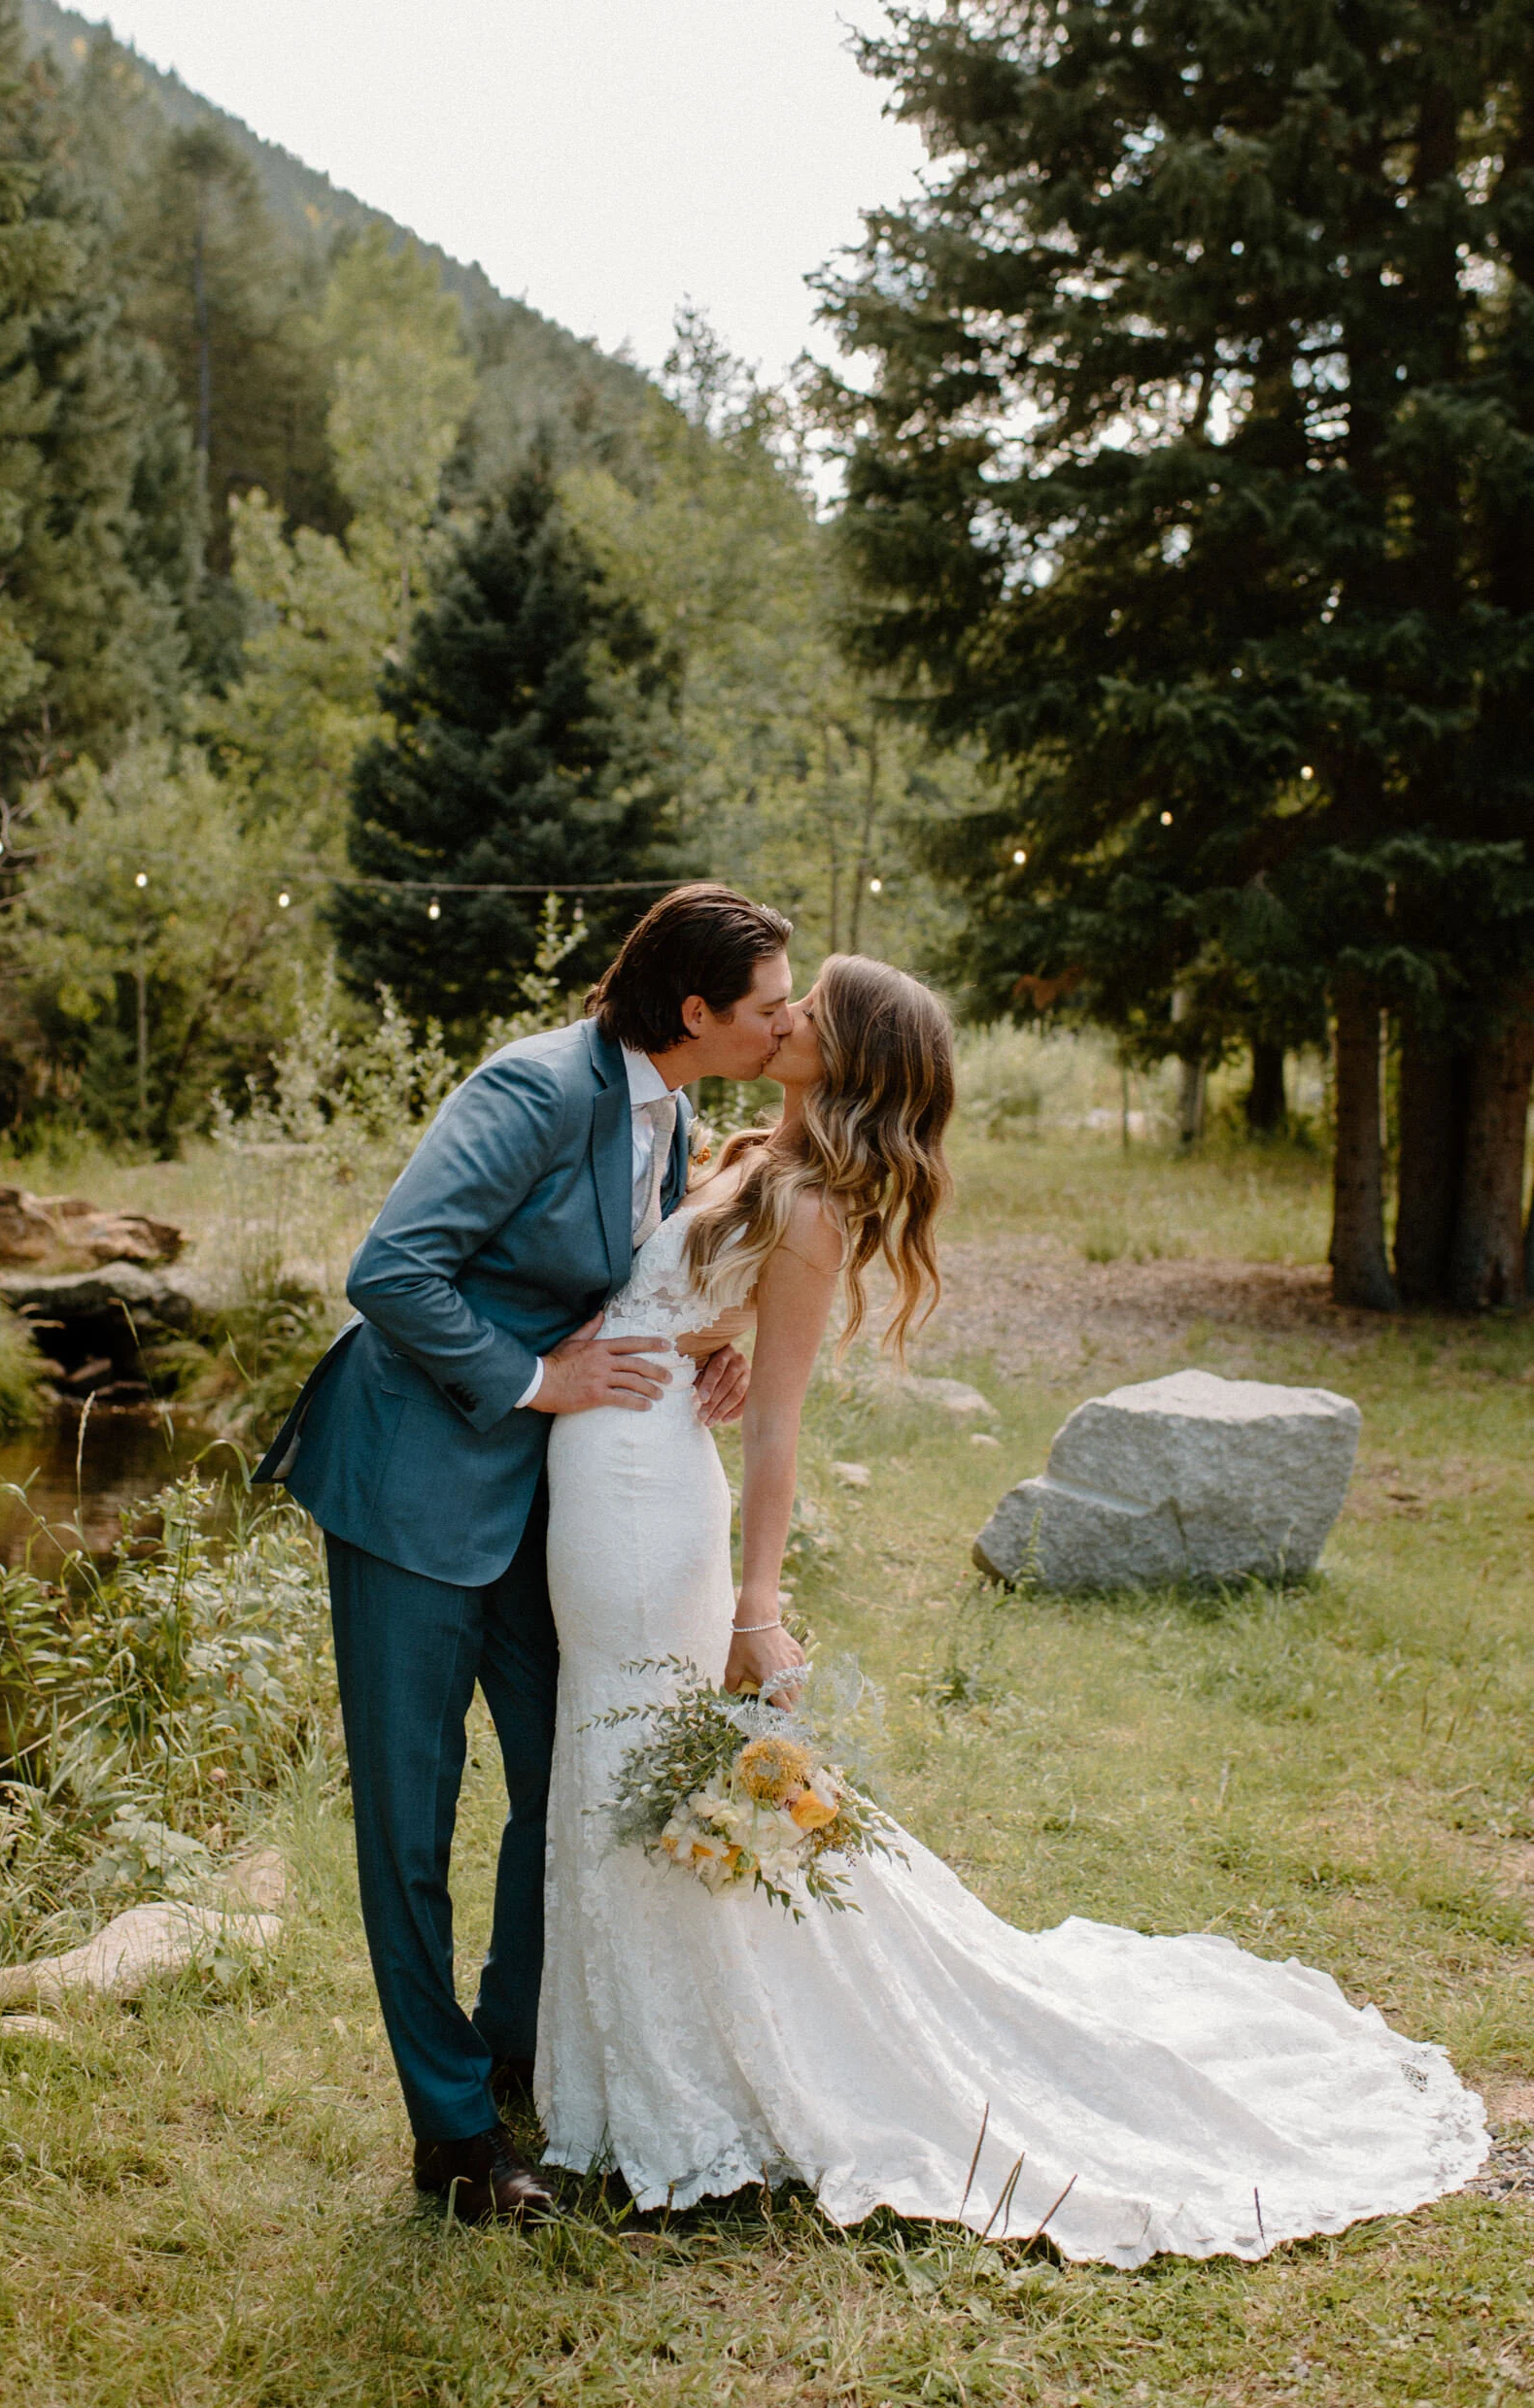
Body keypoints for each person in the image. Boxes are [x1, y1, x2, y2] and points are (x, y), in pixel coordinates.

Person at [537, 953, 1488, 2265]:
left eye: (813, 1006)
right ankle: (636, 2071)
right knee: (622, 1757)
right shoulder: (749, 1153)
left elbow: (778, 1427)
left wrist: (759, 1608)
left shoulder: (810, 1207)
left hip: (650, 1502)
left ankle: (681, 2096)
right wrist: (698, 1340)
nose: (787, 1015)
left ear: (856, 1058)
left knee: (637, 1757)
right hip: (614, 1461)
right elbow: (679, 1305)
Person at [255, 882, 800, 2222]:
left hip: (546, 1499)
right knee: (411, 1816)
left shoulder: (669, 1113)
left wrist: (704, 1350)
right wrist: (536, 1381)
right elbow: (392, 1271)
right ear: (696, 1012)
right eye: (771, 1007)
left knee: (564, 1769)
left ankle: (510, 2042)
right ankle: (453, 2136)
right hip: (409, 1482)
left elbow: (619, 1286)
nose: (787, 1027)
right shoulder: (536, 1088)